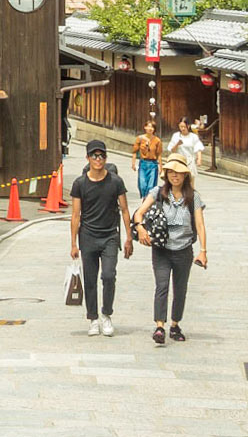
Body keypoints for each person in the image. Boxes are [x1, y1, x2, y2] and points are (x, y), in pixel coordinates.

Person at [132, 154, 209, 345]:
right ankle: (160, 326)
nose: (175, 176)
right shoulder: (157, 192)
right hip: (161, 248)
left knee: (180, 288)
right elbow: (139, 213)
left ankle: (175, 324)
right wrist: (140, 228)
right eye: (171, 173)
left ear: (185, 176)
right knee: (162, 285)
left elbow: (199, 224)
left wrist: (203, 250)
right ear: (166, 175)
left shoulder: (193, 197)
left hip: (183, 249)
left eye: (179, 173)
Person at [69, 138, 132, 336]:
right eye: (94, 155)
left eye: (102, 155)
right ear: (88, 158)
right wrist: (73, 243)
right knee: (90, 279)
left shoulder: (115, 182)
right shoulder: (80, 183)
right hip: (87, 235)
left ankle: (106, 314)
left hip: (109, 236)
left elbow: (124, 209)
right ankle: (93, 318)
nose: (98, 159)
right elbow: (75, 214)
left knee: (108, 275)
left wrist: (129, 237)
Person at [133, 119, 162, 199]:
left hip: (153, 164)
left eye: (152, 127)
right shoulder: (140, 138)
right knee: (142, 185)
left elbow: (159, 154)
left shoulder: (157, 140)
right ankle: (145, 199)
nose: (150, 129)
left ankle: (147, 202)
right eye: (148, 126)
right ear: (145, 127)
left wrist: (160, 167)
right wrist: (133, 163)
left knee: (151, 186)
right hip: (143, 163)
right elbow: (134, 152)